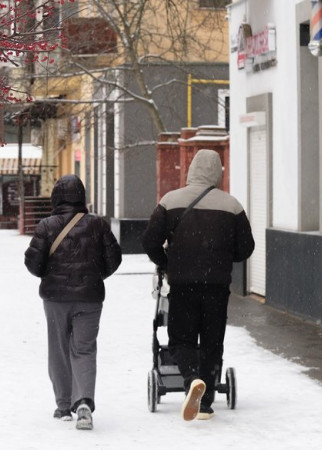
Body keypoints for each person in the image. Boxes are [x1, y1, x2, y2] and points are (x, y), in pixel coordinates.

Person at [141, 149, 254, 422]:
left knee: (181, 338)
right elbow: (246, 248)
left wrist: (167, 262)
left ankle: (191, 379)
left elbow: (149, 241)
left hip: (182, 284)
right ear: (217, 172)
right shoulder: (232, 205)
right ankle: (205, 402)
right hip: (216, 286)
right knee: (212, 341)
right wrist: (223, 257)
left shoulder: (170, 201)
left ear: (191, 170)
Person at [24, 174, 122, 430]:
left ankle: (63, 404)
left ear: (56, 197)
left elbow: (33, 264)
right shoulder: (98, 225)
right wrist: (93, 276)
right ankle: (84, 402)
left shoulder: (46, 226)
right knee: (84, 349)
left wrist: (51, 273)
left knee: (58, 349)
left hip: (55, 299)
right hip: (89, 298)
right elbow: (114, 259)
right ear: (82, 197)